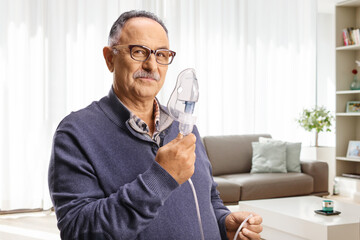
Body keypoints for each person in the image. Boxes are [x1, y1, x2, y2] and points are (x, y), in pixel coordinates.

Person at [48, 10, 263, 240]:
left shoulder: (182, 125)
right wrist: (160, 178)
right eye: (139, 52)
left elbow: (208, 197)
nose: (152, 65)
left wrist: (224, 223)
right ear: (110, 58)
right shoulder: (76, 133)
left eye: (161, 55)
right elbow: (79, 231)